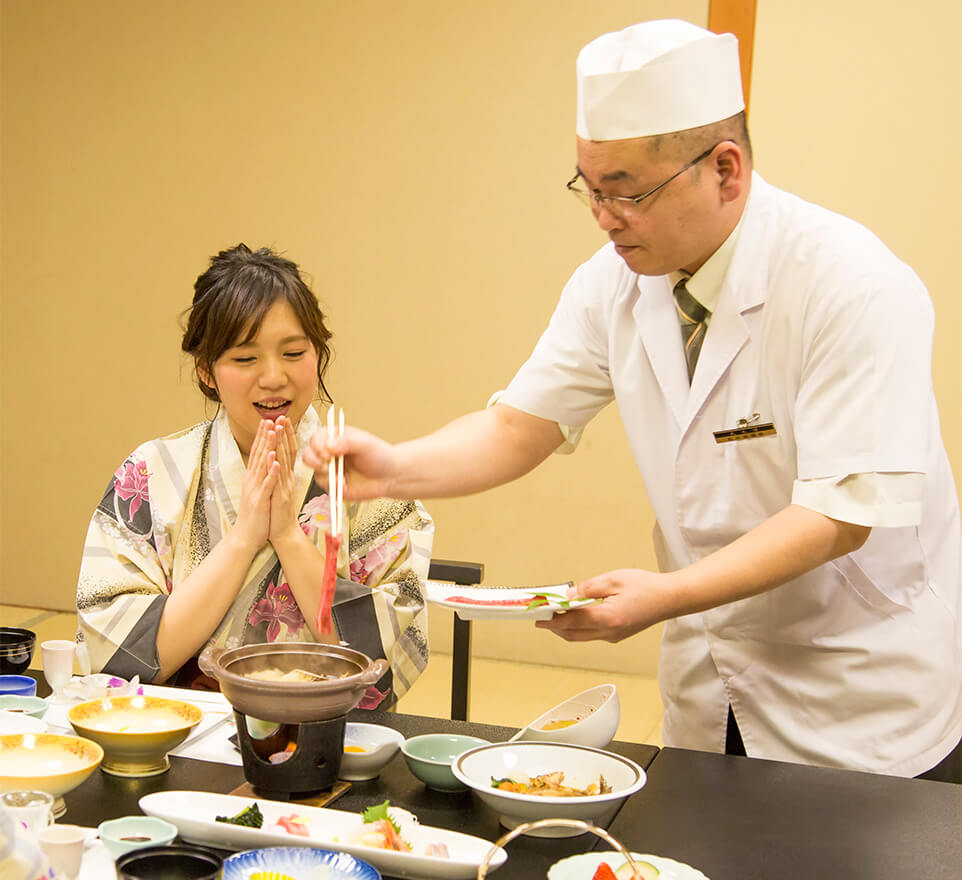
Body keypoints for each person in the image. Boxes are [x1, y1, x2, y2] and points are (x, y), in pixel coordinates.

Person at [304, 20, 962, 779]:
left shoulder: (851, 284)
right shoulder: (614, 283)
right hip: (711, 693)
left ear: (726, 169)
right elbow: (521, 425)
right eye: (590, 186)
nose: (604, 215)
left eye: (629, 192)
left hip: (862, 700)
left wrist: (665, 595)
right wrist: (393, 469)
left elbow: (839, 515)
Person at [77, 244, 434, 709]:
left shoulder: (373, 484)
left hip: (327, 736)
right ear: (206, 369)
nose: (273, 377)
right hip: (174, 735)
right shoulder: (150, 475)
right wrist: (243, 538)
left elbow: (378, 664)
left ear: (318, 354)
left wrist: (287, 534)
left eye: (293, 352)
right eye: (245, 359)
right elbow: (118, 657)